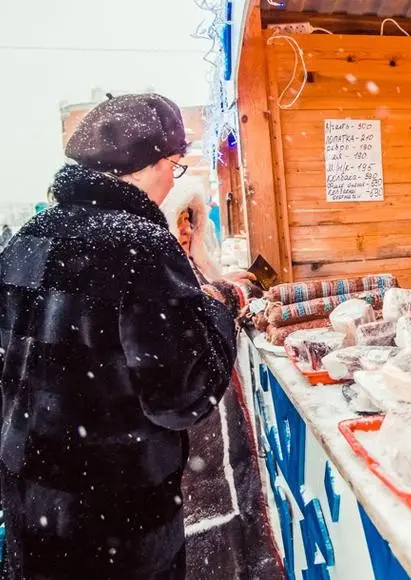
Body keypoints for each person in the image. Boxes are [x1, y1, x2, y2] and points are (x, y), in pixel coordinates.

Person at [0, 93, 242, 579]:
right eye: (173, 166)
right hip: (117, 520)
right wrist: (220, 312)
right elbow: (182, 394)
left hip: (32, 503)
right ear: (147, 164)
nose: (170, 182)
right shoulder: (141, 246)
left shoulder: (27, 237)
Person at [158, 187, 281, 579]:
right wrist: (231, 291)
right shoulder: (156, 267)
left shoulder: (184, 260)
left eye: (191, 221)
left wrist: (216, 275)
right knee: (207, 518)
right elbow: (191, 315)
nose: (186, 229)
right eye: (180, 220)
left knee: (230, 504)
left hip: (213, 412)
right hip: (193, 423)